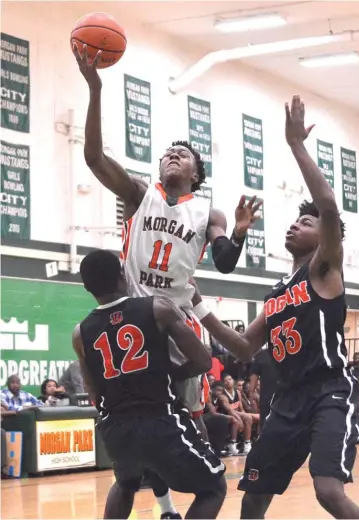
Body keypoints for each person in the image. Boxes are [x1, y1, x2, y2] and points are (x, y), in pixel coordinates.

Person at [73, 43, 259, 516]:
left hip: (174, 320)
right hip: (130, 310)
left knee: (181, 419)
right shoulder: (140, 195)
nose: (173, 155)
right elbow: (94, 158)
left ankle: (172, 495)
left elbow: (224, 261)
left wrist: (236, 233)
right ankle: (163, 503)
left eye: (183, 153)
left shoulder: (207, 210)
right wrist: (95, 89)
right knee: (136, 442)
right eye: (167, 153)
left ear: (196, 174)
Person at [190, 95, 359, 518]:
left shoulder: (324, 270)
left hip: (328, 392)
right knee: (252, 497)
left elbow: (327, 205)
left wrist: (296, 146)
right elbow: (242, 348)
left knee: (328, 490)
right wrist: (196, 303)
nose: (295, 224)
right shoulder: (275, 294)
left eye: (305, 223)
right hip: (286, 402)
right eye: (294, 220)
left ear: (323, 235)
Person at [73, 250, 227, 520]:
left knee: (125, 483)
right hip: (159, 419)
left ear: (86, 287)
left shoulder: (80, 332)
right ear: (123, 275)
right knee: (213, 487)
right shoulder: (157, 308)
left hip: (116, 427)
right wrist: (172, 374)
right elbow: (203, 360)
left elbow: (94, 394)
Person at [248, 346, 279, 426]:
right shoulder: (261, 356)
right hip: (269, 400)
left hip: (279, 399)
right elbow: (252, 385)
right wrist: (252, 401)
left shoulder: (289, 354)